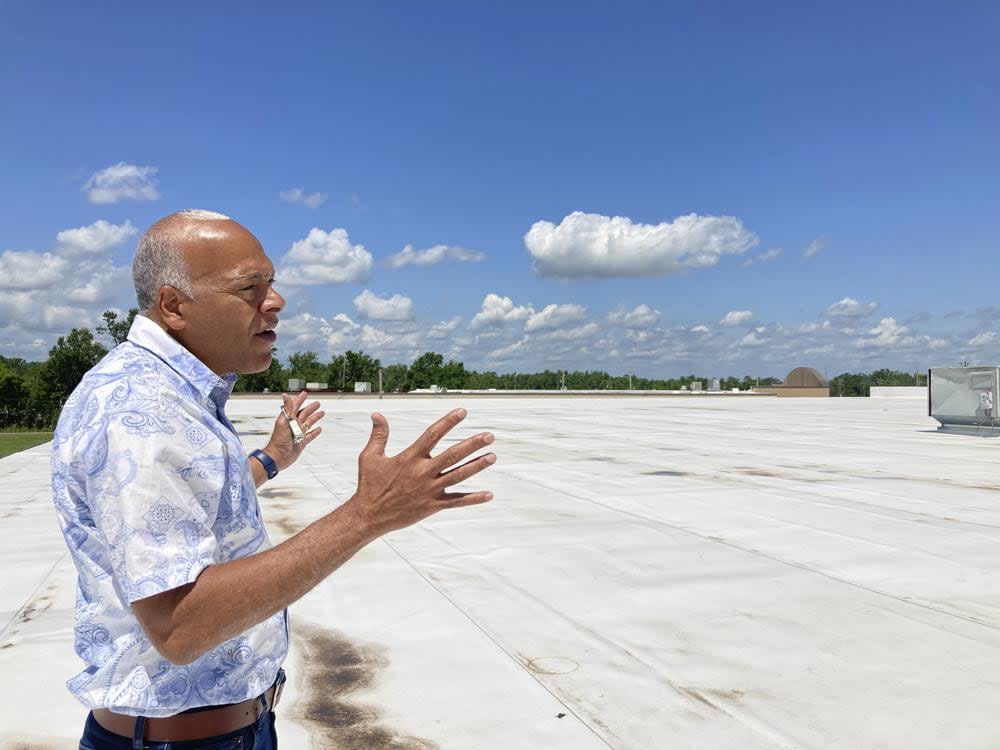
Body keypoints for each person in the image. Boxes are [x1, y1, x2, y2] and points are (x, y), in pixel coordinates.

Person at [51, 209, 496, 749]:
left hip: (220, 728)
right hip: (183, 741)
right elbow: (179, 626)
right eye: (249, 287)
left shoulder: (167, 394)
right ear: (173, 306)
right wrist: (367, 514)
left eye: (272, 283)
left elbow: (185, 506)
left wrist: (271, 459)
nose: (276, 301)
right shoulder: (140, 414)